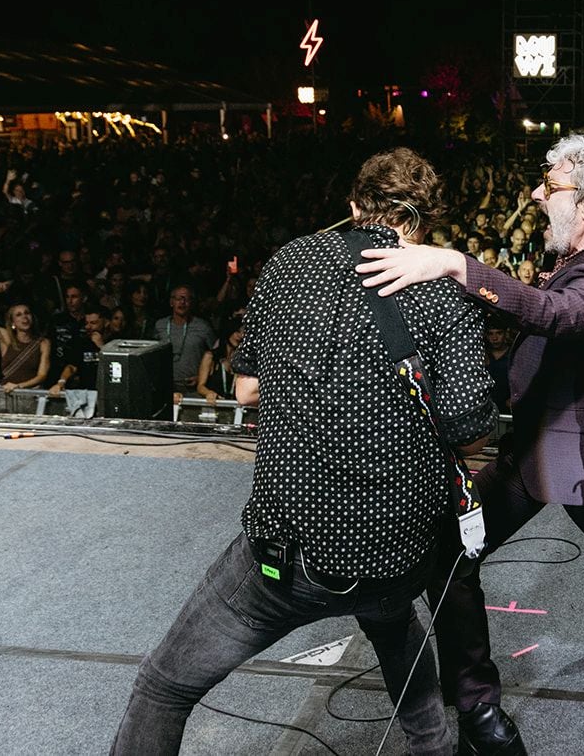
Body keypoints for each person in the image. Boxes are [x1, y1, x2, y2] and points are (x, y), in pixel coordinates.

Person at [356, 8, 584, 756]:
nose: (534, 195)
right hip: (575, 410)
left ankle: (478, 706)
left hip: (568, 421)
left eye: (547, 185)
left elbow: (555, 309)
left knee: (458, 544)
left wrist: (454, 264)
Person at [111, 147, 495, 756]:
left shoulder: (289, 264)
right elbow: (471, 429)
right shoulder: (446, 296)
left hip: (289, 554)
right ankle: (431, 742)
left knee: (164, 686)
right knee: (394, 623)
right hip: (398, 549)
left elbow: (246, 388)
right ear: (425, 223)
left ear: (352, 207)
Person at [0, 282, 51, 406]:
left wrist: (18, 386)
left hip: (30, 396)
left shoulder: (43, 343)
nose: (24, 317)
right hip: (6, 394)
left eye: (27, 313)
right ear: (13, 322)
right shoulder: (7, 338)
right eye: (19, 315)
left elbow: (42, 375)